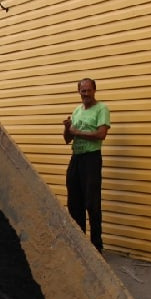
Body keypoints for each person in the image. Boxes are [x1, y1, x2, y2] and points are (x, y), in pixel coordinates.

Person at [61, 77, 110, 250]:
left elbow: (101, 134)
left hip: (92, 158)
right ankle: (79, 244)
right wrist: (67, 128)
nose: (86, 93)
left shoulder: (101, 109)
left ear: (94, 90)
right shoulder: (76, 111)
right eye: (83, 91)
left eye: (89, 90)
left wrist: (76, 131)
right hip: (77, 158)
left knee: (92, 203)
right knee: (74, 202)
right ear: (79, 92)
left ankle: (96, 245)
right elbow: (68, 139)